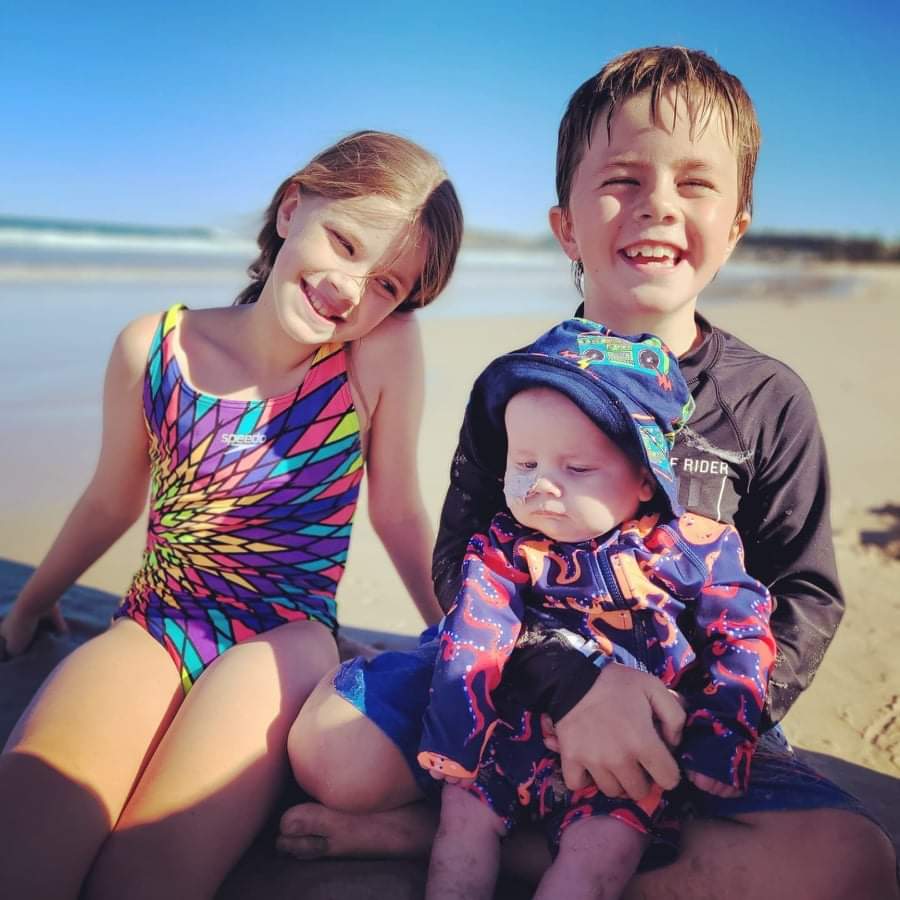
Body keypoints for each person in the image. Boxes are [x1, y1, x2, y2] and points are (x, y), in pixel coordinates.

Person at [280, 49, 899, 898]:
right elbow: (460, 558)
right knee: (330, 749)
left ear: (737, 224)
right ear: (566, 226)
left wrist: (683, 719)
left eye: (695, 183)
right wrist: (565, 685)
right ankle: (492, 824)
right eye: (622, 179)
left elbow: (803, 593)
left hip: (677, 714)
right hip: (516, 678)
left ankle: (446, 838)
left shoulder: (766, 400)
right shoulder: (518, 386)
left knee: (850, 864)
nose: (659, 205)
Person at [0, 130, 463, 900]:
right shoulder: (155, 348)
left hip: (286, 637)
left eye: (386, 284)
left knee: (147, 871)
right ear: (291, 209)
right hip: (157, 621)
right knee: (28, 838)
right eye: (345, 243)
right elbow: (111, 500)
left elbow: (399, 512)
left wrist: (457, 642)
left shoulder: (375, 354)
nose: (351, 290)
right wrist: (29, 607)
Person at [418, 320, 775, 900]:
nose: (541, 486)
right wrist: (456, 741)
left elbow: (742, 636)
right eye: (524, 464)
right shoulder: (503, 551)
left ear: (645, 480)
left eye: (577, 469)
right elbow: (472, 637)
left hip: (626, 761)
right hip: (508, 737)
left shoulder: (694, 549)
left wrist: (719, 739)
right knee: (461, 823)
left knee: (597, 859)